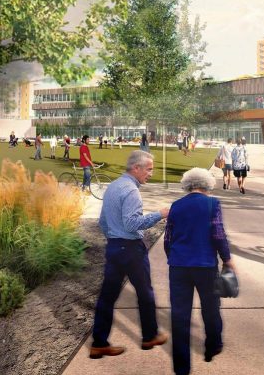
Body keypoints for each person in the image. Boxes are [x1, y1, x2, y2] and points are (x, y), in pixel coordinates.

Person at [90, 150, 169, 359]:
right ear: (136, 168)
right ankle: (149, 336)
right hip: (131, 250)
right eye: (149, 169)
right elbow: (132, 223)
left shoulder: (113, 187)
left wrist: (114, 239)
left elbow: (102, 222)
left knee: (107, 297)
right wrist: (159, 214)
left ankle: (98, 344)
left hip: (114, 248)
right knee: (145, 293)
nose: (150, 173)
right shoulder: (132, 191)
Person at [164, 168, 233, 375]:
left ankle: (182, 368)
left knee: (179, 316)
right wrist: (227, 259)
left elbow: (168, 240)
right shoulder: (213, 204)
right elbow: (218, 235)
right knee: (210, 309)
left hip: (178, 267)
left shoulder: (175, 206)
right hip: (205, 265)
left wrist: (175, 258)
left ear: (188, 184)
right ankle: (212, 346)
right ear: (207, 184)